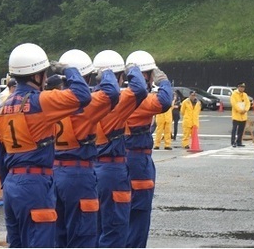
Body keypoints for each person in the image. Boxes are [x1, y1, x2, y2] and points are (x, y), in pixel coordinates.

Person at [0, 43, 91, 248]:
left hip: (12, 184)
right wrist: (67, 69)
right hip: (35, 183)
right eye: (44, 74)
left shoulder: (2, 109)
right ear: (37, 76)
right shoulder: (42, 101)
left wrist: (8, 184)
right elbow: (82, 95)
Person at [52, 49, 120, 248]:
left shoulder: (50, 99)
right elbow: (112, 92)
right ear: (88, 78)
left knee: (59, 237)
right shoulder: (87, 105)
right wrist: (106, 72)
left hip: (54, 172)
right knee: (83, 237)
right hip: (79, 175)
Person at [92, 50, 148, 248]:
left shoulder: (88, 100)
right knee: (115, 231)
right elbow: (141, 89)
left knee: (96, 229)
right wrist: (133, 68)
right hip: (112, 170)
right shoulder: (116, 102)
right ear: (118, 77)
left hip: (92, 169)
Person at [123, 51, 172, 248]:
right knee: (139, 215)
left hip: (119, 157)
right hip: (138, 160)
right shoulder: (140, 99)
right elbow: (165, 100)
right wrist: (164, 81)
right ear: (146, 75)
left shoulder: (118, 95)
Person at [230, 82, 251, 147]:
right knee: (234, 129)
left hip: (243, 115)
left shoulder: (245, 95)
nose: (242, 88)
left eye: (243, 87)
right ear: (238, 87)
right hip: (236, 115)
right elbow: (234, 104)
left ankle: (239, 141)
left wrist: (246, 109)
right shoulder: (234, 94)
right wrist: (240, 110)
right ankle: (233, 142)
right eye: (241, 87)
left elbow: (248, 103)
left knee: (241, 130)